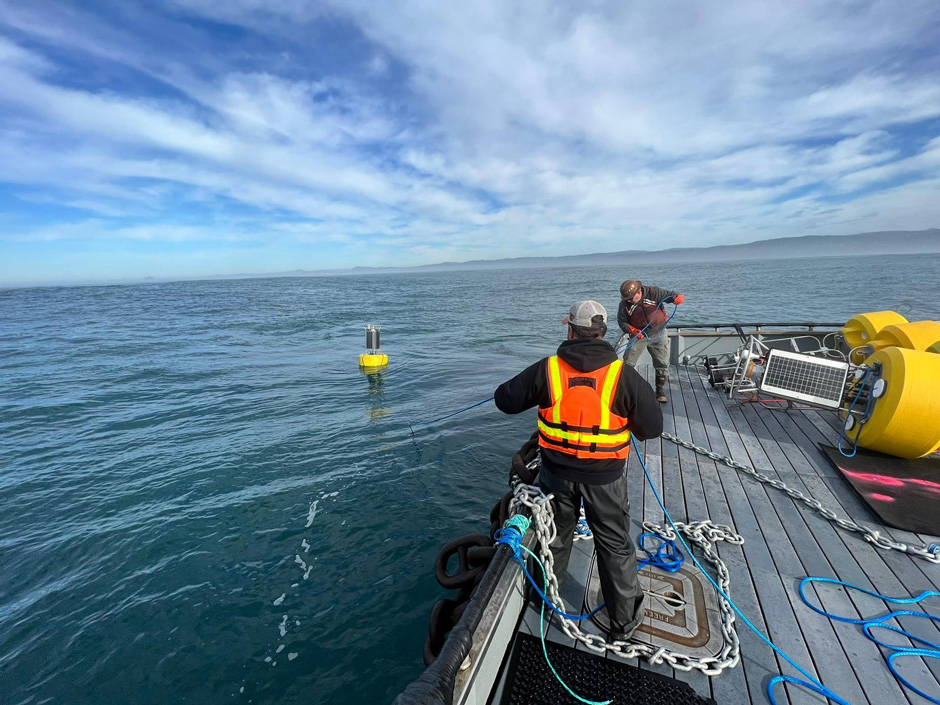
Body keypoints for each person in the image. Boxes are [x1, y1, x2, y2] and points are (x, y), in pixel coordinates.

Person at [494, 300, 663, 642]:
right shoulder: (622, 376)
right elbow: (652, 428)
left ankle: (543, 602)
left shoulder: (548, 370)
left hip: (555, 475)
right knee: (615, 546)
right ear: (602, 333)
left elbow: (504, 400)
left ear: (570, 329)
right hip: (606, 479)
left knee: (555, 537)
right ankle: (624, 621)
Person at [617, 280, 685, 404]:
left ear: (639, 291)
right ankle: (626, 390)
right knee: (628, 363)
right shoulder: (624, 304)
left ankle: (659, 390)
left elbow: (671, 295)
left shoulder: (653, 292)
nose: (629, 300)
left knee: (662, 363)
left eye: (631, 298)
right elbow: (622, 321)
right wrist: (631, 329)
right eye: (627, 298)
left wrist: (677, 298)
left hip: (658, 333)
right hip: (638, 335)